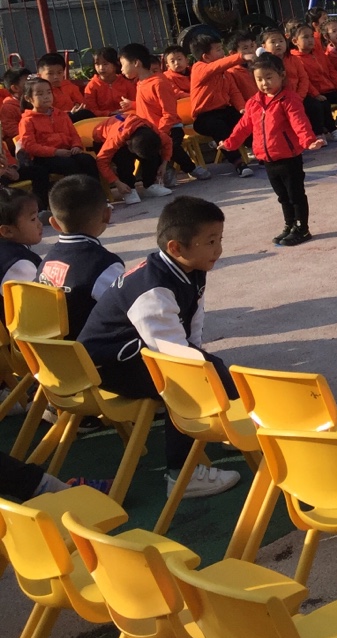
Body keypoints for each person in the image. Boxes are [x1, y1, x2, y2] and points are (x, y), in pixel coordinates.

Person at [78, 196, 243, 499]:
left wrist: (203, 358)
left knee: (206, 369)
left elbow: (192, 325)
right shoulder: (153, 289)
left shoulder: (189, 269)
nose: (218, 249)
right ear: (176, 248)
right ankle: (182, 475)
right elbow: (173, 357)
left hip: (135, 353)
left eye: (220, 239)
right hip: (108, 366)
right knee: (186, 382)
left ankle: (226, 426)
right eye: (210, 241)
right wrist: (207, 370)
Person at [222, 55, 326, 245]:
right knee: (282, 196)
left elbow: (299, 122)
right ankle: (289, 225)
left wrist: (309, 141)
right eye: (259, 79)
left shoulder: (288, 99)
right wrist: (230, 143)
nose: (264, 83)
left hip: (289, 158)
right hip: (268, 159)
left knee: (295, 195)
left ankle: (302, 229)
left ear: (281, 75)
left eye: (269, 77)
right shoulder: (254, 102)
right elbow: (244, 126)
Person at [39, 175, 124, 336]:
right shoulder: (105, 265)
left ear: (54, 223)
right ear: (107, 215)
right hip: (91, 346)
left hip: (53, 346)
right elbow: (127, 309)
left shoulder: (46, 262)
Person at [122, 43, 211, 180]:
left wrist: (160, 132)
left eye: (123, 64)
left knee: (169, 145)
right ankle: (165, 171)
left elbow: (169, 113)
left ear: (136, 63)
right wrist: (132, 105)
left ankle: (191, 168)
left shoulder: (159, 83)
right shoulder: (140, 83)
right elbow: (150, 104)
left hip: (170, 127)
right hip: (152, 130)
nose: (121, 69)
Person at [16, 77, 100, 211]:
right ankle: (76, 203)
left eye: (48, 92)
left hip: (67, 151)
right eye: (40, 94)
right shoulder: (27, 120)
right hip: (44, 157)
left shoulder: (61, 114)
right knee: (69, 165)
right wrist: (54, 152)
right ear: (28, 98)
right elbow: (29, 145)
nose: (46, 97)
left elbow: (73, 134)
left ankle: (97, 198)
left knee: (87, 160)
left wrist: (76, 146)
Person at [188, 34, 255, 176]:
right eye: (218, 50)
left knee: (245, 120)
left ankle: (261, 151)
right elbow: (216, 66)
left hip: (224, 111)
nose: (222, 52)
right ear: (206, 57)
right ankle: (238, 163)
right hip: (204, 117)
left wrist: (242, 108)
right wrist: (241, 57)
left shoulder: (225, 73)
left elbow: (234, 92)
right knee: (218, 126)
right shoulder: (199, 68)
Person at [264, 25, 337, 143]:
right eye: (273, 42)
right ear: (264, 46)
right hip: (278, 98)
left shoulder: (293, 59)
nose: (278, 45)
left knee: (318, 105)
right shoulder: (265, 64)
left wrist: (300, 96)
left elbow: (303, 78)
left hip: (298, 94)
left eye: (281, 41)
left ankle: (325, 132)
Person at [288, 19, 337, 137]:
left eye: (311, 36)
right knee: (322, 105)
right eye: (305, 37)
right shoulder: (296, 59)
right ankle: (330, 130)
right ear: (295, 41)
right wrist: (315, 94)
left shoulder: (319, 54)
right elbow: (305, 80)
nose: (310, 40)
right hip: (316, 92)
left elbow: (331, 71)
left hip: (330, 88)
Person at [94, 113, 172, 203]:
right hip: (102, 141)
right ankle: (129, 189)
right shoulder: (115, 138)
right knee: (124, 158)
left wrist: (164, 163)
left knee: (152, 152)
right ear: (128, 143)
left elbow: (168, 142)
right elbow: (101, 160)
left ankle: (150, 185)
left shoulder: (154, 132)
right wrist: (116, 182)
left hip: (132, 136)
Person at [0, 185, 44, 285]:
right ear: (7, 231)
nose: (40, 224)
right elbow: (36, 293)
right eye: (33, 219)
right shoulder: (19, 264)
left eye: (37, 216)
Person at [36, 53, 90, 121]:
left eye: (59, 73)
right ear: (40, 76)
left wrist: (78, 106)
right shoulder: (40, 92)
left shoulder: (69, 86)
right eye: (50, 73)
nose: (56, 77)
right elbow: (46, 113)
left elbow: (82, 103)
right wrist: (69, 113)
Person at [84, 47, 136, 116]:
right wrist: (109, 113)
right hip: (102, 119)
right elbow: (91, 110)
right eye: (97, 64)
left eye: (105, 64)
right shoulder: (92, 86)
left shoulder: (126, 82)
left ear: (116, 64)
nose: (101, 68)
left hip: (127, 116)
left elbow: (135, 103)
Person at [1, 68, 27, 143]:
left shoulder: (34, 101)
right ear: (15, 88)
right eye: (27, 83)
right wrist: (32, 132)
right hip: (23, 141)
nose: (32, 85)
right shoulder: (8, 108)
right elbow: (11, 130)